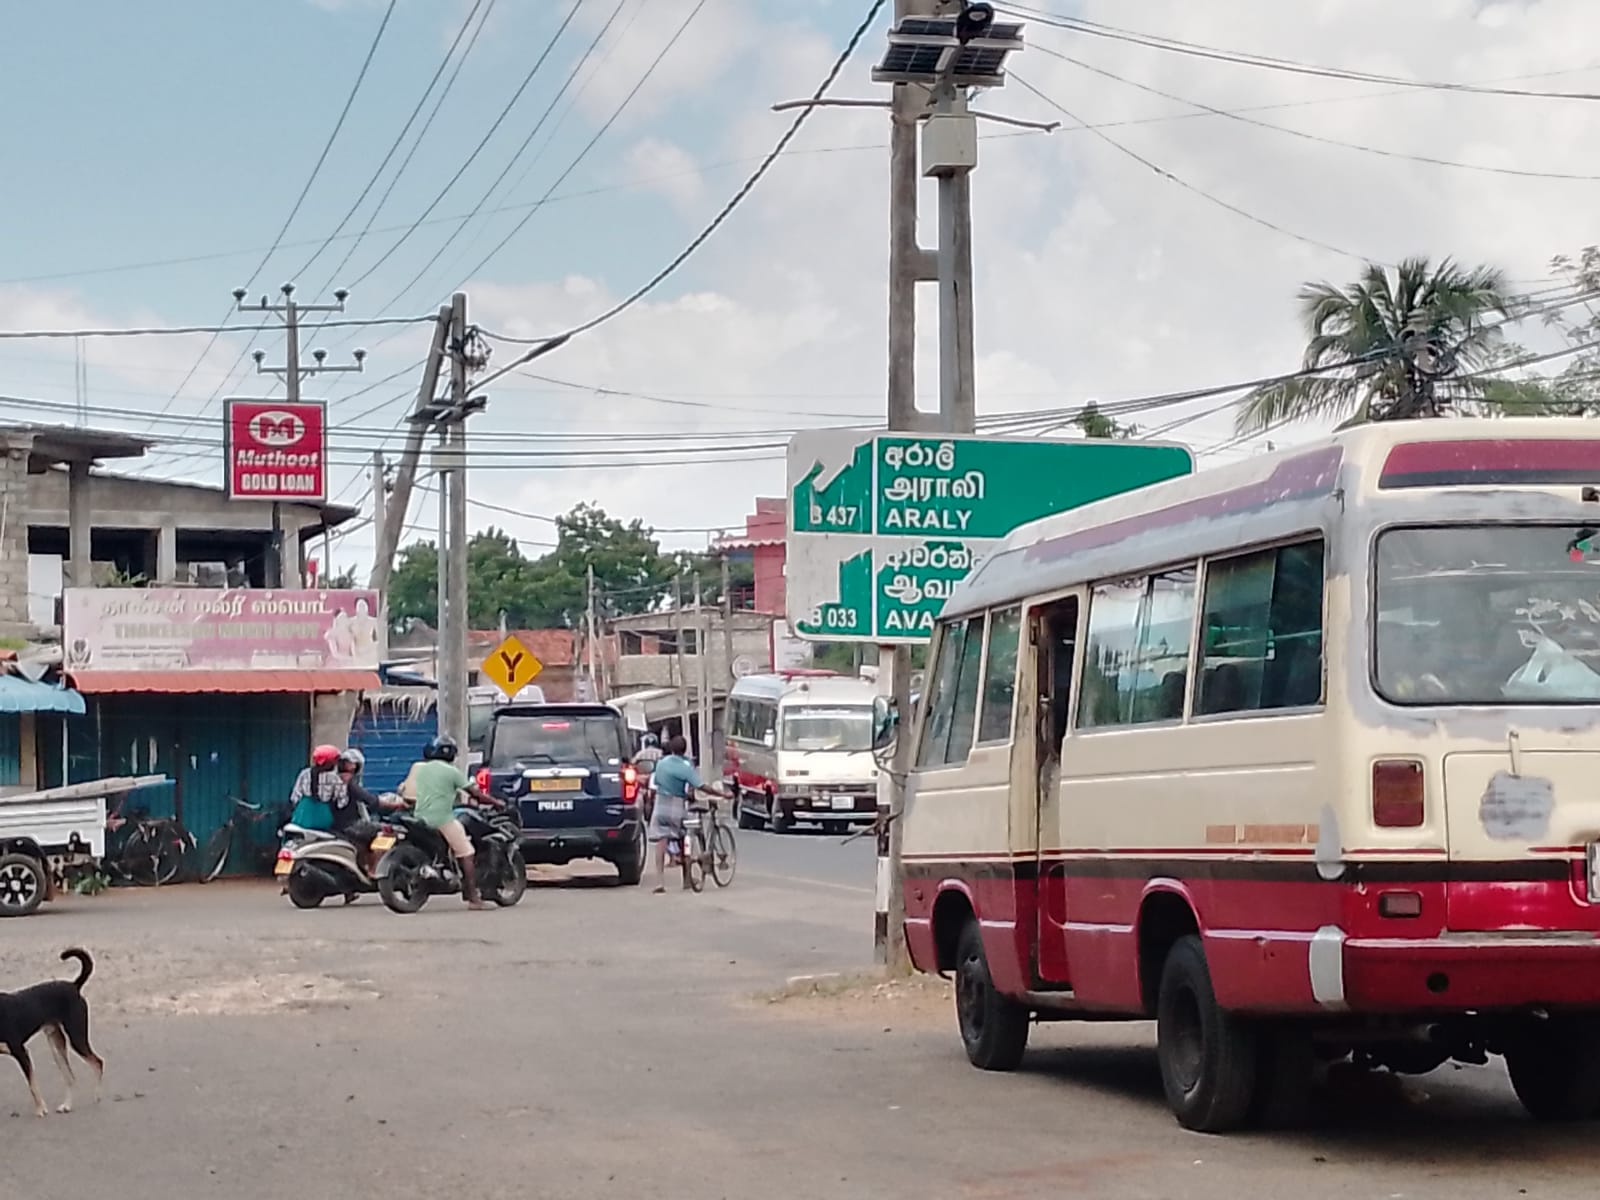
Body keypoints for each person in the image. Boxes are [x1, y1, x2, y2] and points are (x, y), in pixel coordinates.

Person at [406, 735, 502, 910]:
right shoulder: (452, 771)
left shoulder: (420, 769)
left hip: (419, 816)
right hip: (442, 818)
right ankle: (473, 898)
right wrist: (496, 803)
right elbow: (476, 794)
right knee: (466, 852)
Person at [647, 736, 725, 895]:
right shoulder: (686, 766)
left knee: (661, 842)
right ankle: (687, 879)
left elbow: (654, 783)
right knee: (684, 838)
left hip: (661, 803)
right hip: (677, 805)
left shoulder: (661, 763)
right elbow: (701, 786)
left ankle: (659, 882)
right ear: (685, 749)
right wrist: (722, 793)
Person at [288, 744, 342, 832]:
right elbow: (340, 800)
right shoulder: (334, 778)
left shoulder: (305, 773)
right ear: (328, 762)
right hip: (323, 816)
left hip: (303, 815)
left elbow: (295, 796)